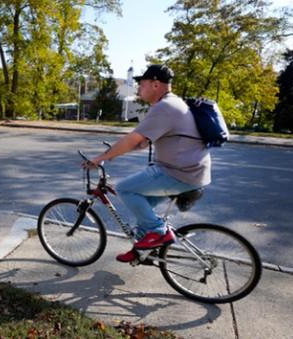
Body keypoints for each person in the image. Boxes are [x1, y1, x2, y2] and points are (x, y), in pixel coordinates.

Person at [82, 64, 211, 263]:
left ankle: (158, 233)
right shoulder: (173, 104)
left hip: (179, 173)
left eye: (142, 84)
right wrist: (113, 154)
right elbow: (142, 143)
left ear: (155, 84)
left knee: (125, 189)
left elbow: (132, 139)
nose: (138, 89)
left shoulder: (165, 107)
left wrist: (100, 158)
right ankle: (143, 250)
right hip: (191, 172)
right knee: (142, 207)